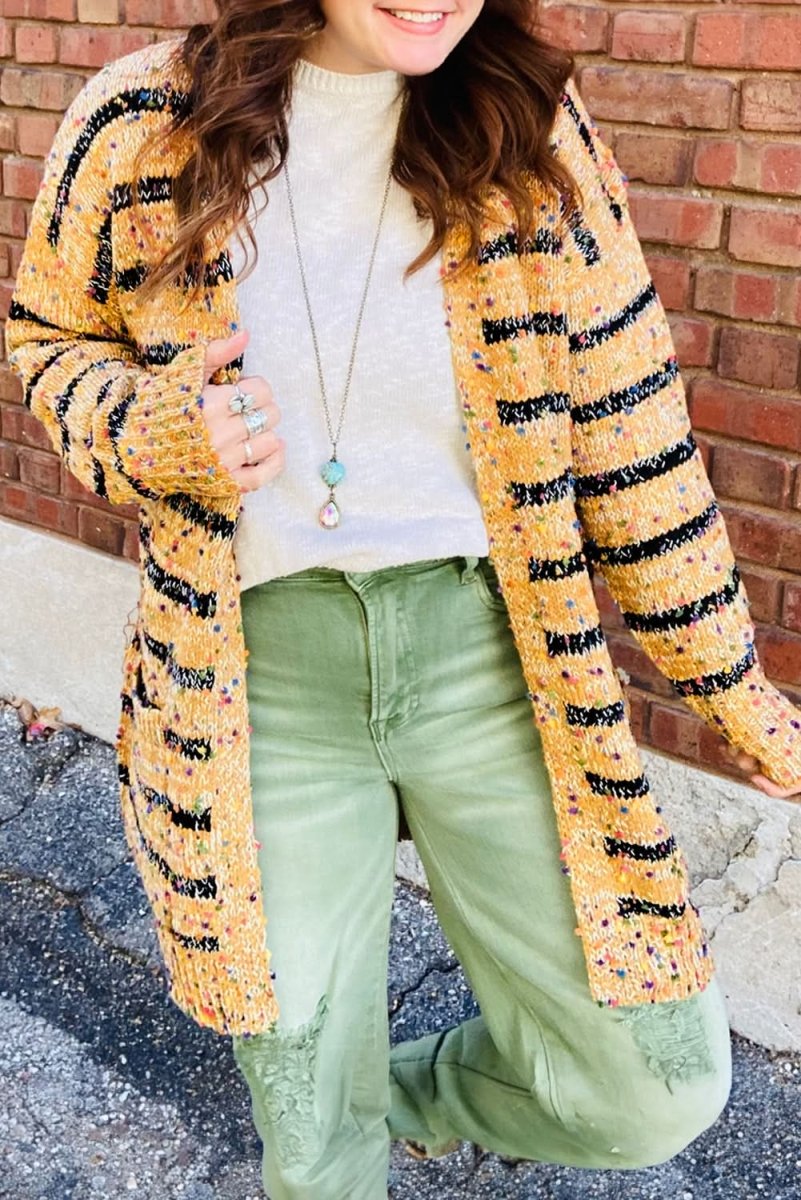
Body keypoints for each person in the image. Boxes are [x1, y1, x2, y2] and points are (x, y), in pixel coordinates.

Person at [6, 1, 801, 1197]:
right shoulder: (140, 126)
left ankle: (402, 1092)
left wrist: (747, 707)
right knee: (317, 1153)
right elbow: (50, 338)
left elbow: (640, 443)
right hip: (258, 679)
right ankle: (340, 1127)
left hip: (493, 659)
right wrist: (161, 430)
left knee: (653, 1081)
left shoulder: (527, 128)